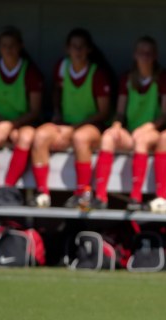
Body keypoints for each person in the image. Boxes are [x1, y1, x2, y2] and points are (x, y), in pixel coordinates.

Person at [30, 28, 112, 208]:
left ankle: (83, 193)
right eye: (74, 46)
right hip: (66, 123)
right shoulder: (62, 67)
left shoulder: (97, 73)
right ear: (67, 48)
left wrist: (73, 128)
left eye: (82, 47)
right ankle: (42, 193)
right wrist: (57, 113)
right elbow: (57, 91)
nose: (78, 50)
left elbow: (103, 112)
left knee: (80, 138)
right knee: (40, 135)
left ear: (89, 49)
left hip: (93, 124)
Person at [95, 36, 166, 212]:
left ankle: (135, 197)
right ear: (134, 55)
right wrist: (116, 125)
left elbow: (165, 114)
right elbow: (120, 112)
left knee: (142, 140)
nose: (144, 56)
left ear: (155, 55)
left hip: (155, 131)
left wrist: (147, 127)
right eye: (141, 52)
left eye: (148, 53)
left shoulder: (164, 77)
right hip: (131, 131)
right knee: (108, 137)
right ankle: (100, 196)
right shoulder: (128, 78)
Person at [0, 26, 43, 189]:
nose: (8, 50)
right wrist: (2, 123)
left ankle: (8, 187)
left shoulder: (30, 71)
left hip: (22, 123)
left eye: (12, 45)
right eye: (4, 45)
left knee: (26, 137)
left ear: (20, 46)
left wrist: (11, 125)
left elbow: (35, 110)